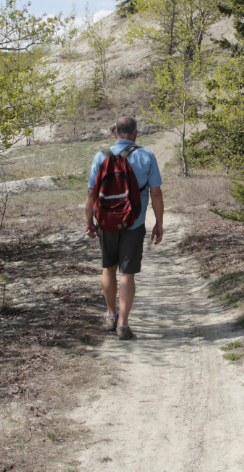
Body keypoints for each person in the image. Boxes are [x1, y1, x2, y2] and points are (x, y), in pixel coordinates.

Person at [85, 116, 163, 340]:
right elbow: (156, 193)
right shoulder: (147, 156)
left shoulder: (101, 156)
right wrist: (159, 223)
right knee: (127, 274)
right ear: (136, 134)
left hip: (107, 222)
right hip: (134, 222)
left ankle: (110, 315)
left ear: (115, 133)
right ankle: (123, 323)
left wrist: (89, 222)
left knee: (108, 268)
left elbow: (91, 193)